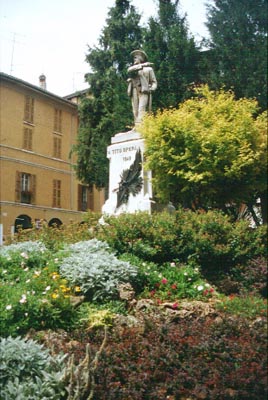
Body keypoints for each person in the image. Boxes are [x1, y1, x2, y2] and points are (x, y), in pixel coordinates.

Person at [127, 50, 157, 126]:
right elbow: (129, 70)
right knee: (135, 111)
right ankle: (137, 126)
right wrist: (143, 65)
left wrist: (152, 88)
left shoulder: (149, 69)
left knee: (141, 109)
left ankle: (140, 127)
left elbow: (154, 82)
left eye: (136, 58)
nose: (134, 59)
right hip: (134, 90)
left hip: (144, 91)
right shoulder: (133, 69)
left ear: (141, 58)